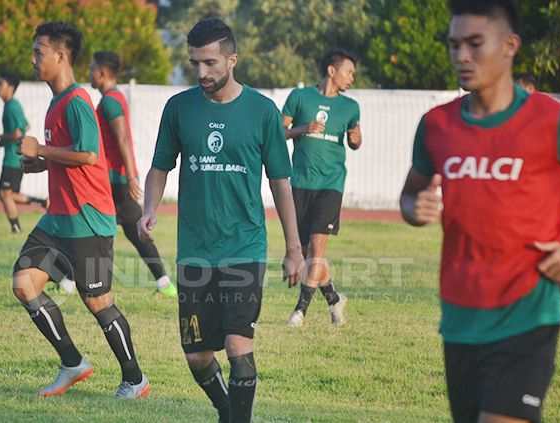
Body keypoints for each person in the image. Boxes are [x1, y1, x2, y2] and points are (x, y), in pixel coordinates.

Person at [399, 1, 560, 422]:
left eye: (474, 43)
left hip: (528, 312)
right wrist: (416, 207)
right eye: (454, 45)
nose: (461, 56)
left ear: (509, 46)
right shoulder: (436, 126)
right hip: (460, 316)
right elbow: (409, 195)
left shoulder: (555, 121)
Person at [139, 18, 304, 423]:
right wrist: (149, 208)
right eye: (195, 62)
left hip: (244, 249)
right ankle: (228, 410)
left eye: (210, 62)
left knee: (237, 345)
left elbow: (281, 182)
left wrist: (294, 249)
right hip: (195, 251)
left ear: (233, 59)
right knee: (197, 355)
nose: (201, 72)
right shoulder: (178, 108)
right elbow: (160, 166)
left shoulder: (263, 112)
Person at [12, 21, 149, 399]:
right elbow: (72, 157)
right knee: (24, 284)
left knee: (98, 301)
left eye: (39, 52)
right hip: (58, 221)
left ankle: (135, 379)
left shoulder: (77, 101)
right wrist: (41, 163)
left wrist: (40, 150)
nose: (33, 58)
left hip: (89, 220)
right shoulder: (56, 103)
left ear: (60, 56)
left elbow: (89, 154)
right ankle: (73, 363)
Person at [282, 49, 361, 327]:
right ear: (331, 70)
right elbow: (279, 133)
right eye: (348, 71)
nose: (352, 77)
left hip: (331, 185)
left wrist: (356, 138)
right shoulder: (299, 97)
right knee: (304, 254)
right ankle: (334, 299)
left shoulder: (351, 107)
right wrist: (302, 128)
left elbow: (354, 141)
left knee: (317, 250)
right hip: (301, 183)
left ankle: (299, 312)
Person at [89, 51, 178, 298]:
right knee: (131, 231)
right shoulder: (113, 97)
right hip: (115, 178)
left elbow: (123, 139)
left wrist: (130, 177)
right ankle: (163, 283)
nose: (89, 74)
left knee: (92, 226)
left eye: (92, 69)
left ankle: (164, 283)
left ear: (103, 73)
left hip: (115, 180)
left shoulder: (110, 101)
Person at [0, 71, 47, 233]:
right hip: (14, 156)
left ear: (11, 88)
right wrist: (4, 140)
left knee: (4, 193)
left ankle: (16, 229)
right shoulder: (12, 105)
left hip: (13, 158)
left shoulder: (12, 107)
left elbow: (18, 134)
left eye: (1, 84)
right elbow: (25, 126)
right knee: (7, 194)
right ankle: (40, 202)